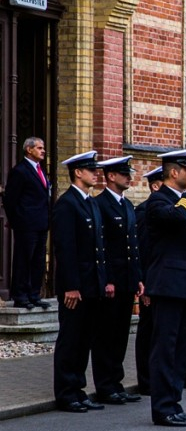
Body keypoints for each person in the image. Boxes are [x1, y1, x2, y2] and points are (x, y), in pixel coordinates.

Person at [145, 148, 186, 427]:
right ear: (174, 172)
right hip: (168, 287)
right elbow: (175, 218)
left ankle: (175, 403)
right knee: (165, 350)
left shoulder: (185, 203)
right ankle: (162, 408)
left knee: (181, 350)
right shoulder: (157, 201)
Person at [51, 151, 107, 413]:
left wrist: (102, 281)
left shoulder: (91, 203)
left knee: (84, 339)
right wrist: (70, 286)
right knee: (70, 339)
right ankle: (66, 392)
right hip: (75, 287)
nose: (96, 173)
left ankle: (79, 388)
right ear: (77, 173)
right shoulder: (67, 204)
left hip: (91, 285)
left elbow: (98, 249)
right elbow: (65, 249)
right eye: (91, 170)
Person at [93, 155, 143, 405]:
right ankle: (105, 385)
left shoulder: (127, 205)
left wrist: (138, 278)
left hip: (127, 280)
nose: (129, 177)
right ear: (111, 176)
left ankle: (117, 382)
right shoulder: (100, 204)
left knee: (121, 334)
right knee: (106, 334)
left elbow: (133, 246)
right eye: (124, 173)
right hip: (112, 282)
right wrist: (108, 279)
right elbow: (102, 247)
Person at [4, 137, 51, 309]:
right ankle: (20, 295)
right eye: (39, 148)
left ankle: (34, 294)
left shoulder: (41, 170)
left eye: (43, 147)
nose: (43, 151)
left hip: (41, 223)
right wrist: (17, 220)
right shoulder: (20, 171)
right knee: (24, 259)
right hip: (26, 224)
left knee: (38, 260)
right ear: (29, 150)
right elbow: (10, 199)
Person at [134, 166, 163, 395]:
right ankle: (146, 379)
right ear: (155, 186)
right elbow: (143, 250)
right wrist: (144, 284)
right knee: (148, 332)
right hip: (151, 282)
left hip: (159, 281)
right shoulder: (145, 211)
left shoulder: (162, 210)